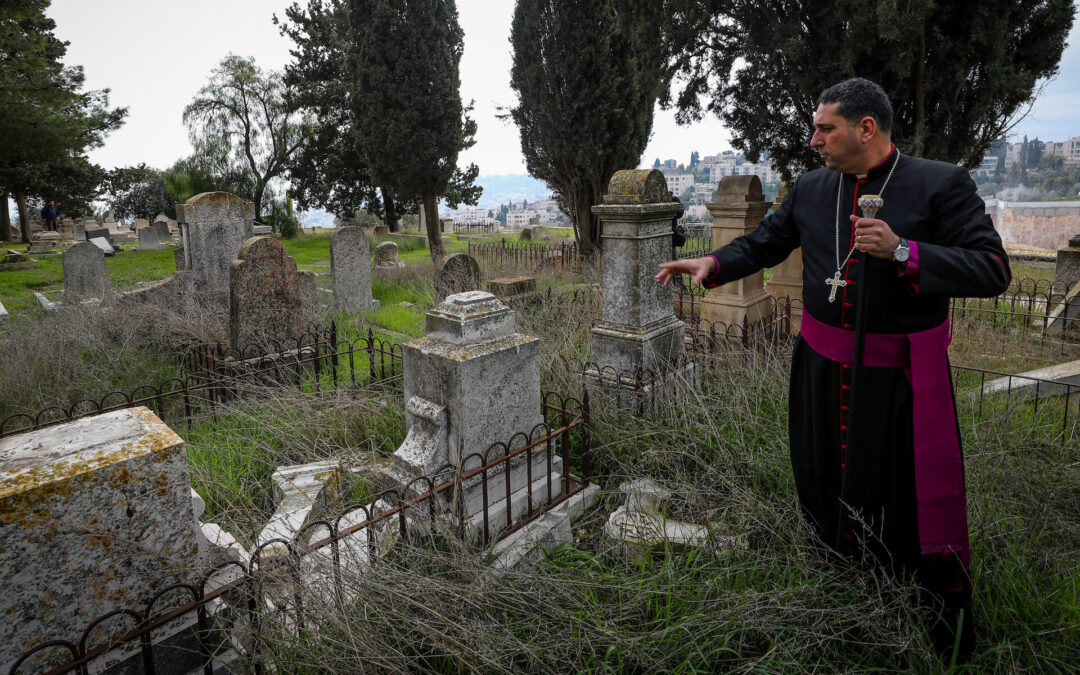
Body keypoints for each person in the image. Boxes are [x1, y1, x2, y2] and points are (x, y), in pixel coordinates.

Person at [656, 78, 1010, 656]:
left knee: (901, 492)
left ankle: (911, 606)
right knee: (821, 473)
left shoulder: (941, 183)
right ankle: (838, 585)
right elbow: (767, 243)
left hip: (900, 381)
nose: (814, 139)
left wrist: (904, 250)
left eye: (826, 128)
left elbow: (993, 270)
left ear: (865, 129)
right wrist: (714, 261)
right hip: (818, 367)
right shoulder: (812, 189)